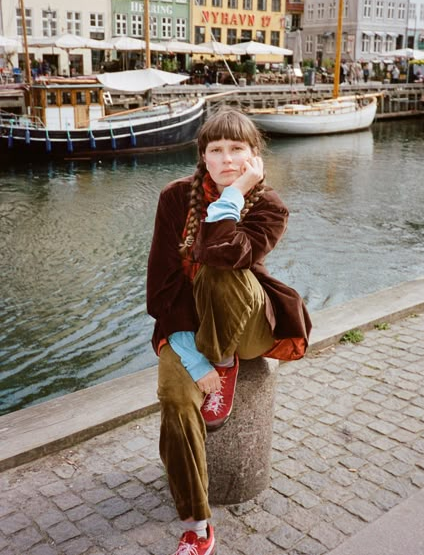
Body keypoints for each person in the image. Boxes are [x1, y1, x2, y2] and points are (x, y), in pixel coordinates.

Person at [146, 107, 312, 555]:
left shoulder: (270, 205)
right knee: (177, 400)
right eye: (215, 150)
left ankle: (225, 363)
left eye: (236, 149)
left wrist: (236, 193)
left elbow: (224, 254)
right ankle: (198, 526)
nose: (225, 159)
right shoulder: (175, 198)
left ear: (253, 156)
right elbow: (161, 286)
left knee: (218, 267)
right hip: (188, 328)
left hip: (249, 323)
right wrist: (193, 360)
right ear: (203, 156)